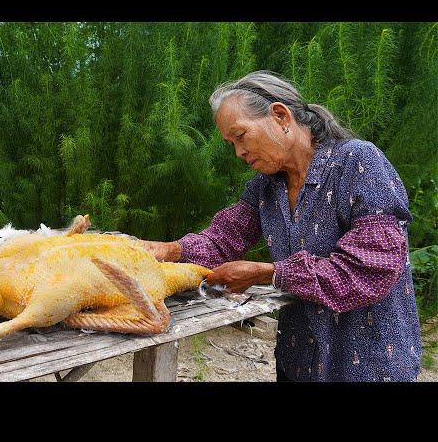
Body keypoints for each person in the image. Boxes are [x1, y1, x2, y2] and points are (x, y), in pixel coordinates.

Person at [140, 70, 422, 382]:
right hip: (298, 358)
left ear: (280, 116)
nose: (238, 152)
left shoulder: (358, 162)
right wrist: (167, 250)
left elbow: (371, 268)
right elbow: (222, 240)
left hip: (366, 362)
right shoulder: (266, 186)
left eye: (241, 136)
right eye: (231, 143)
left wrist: (269, 273)